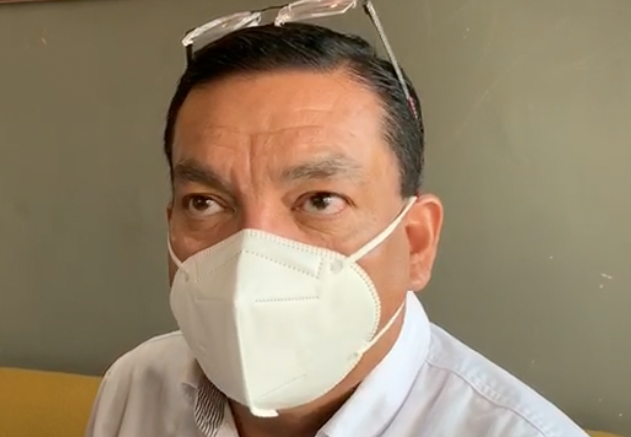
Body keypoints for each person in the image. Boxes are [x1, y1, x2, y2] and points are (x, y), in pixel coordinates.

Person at [85, 6, 589, 437]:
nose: (251, 256)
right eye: (205, 202)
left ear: (416, 243)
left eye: (321, 200)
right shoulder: (135, 389)